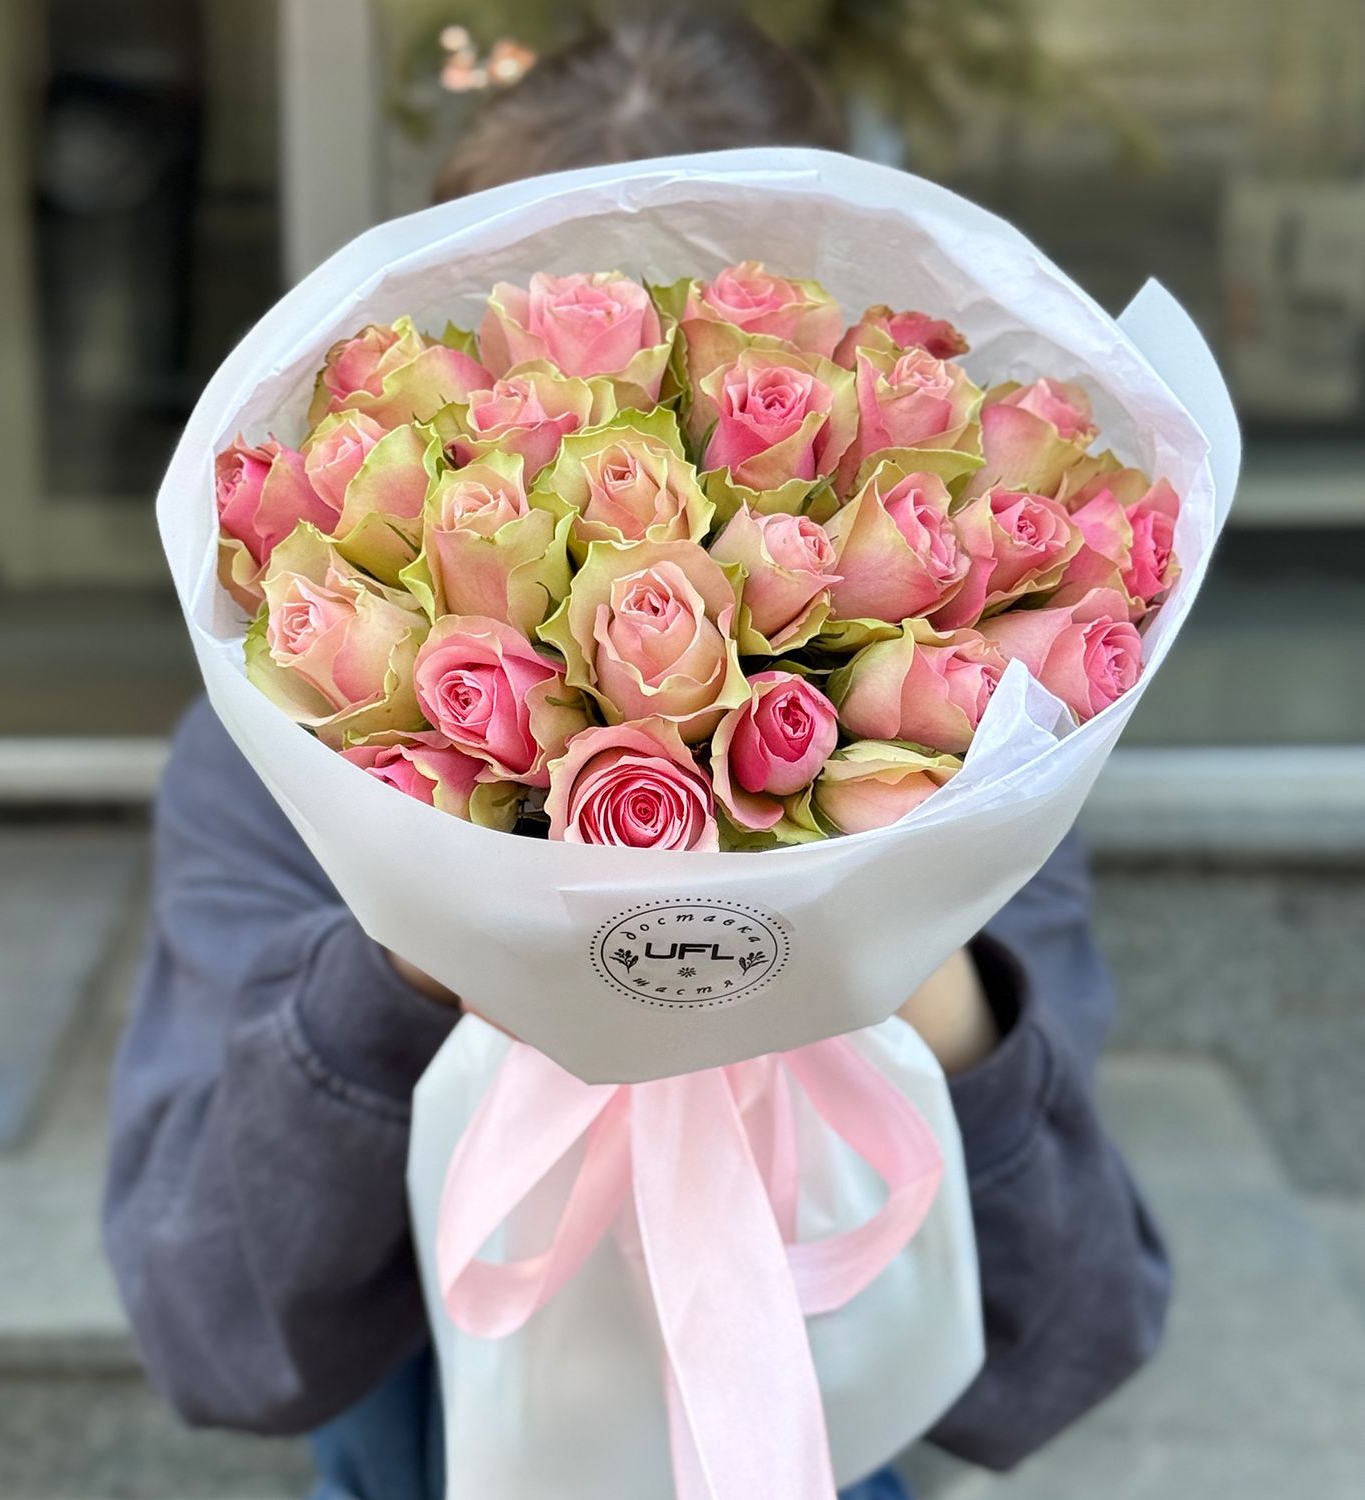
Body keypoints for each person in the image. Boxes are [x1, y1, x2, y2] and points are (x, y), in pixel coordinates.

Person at [103, 11, 1170, 1500]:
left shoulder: (964, 771)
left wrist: (911, 933)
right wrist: (420, 919)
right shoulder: (275, 774)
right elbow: (217, 1337)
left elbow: (1066, 1348)